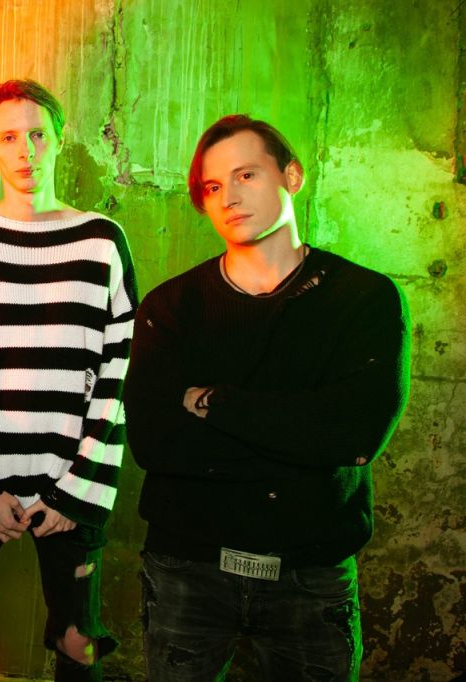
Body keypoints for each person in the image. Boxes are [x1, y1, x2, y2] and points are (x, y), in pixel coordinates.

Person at [122, 114, 410, 680]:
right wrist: (298, 434)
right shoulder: (170, 308)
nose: (229, 197)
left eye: (246, 174)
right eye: (213, 186)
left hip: (311, 574)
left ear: (292, 176)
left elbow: (354, 435)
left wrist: (216, 403)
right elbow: (154, 443)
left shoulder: (364, 299)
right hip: (187, 570)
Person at [0, 79, 136, 681]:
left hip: (74, 481)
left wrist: (77, 492)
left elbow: (118, 372)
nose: (26, 151)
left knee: (78, 642)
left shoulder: (102, 240)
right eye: (10, 137)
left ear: (61, 139)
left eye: (39, 135)